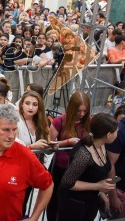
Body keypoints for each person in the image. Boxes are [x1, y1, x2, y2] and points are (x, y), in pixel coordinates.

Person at [57, 113, 118, 221]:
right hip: (75, 207)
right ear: (108, 135)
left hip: (89, 204)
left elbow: (90, 175)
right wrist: (98, 186)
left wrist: (101, 193)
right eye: (116, 131)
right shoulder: (84, 154)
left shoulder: (101, 145)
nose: (118, 134)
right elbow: (67, 182)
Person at [47, 91, 91, 221]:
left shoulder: (89, 121)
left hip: (80, 169)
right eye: (79, 111)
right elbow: (50, 145)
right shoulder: (59, 121)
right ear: (72, 108)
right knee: (55, 201)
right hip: (60, 168)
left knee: (72, 202)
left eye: (85, 111)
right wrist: (67, 142)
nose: (82, 114)